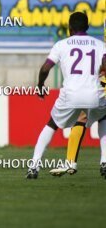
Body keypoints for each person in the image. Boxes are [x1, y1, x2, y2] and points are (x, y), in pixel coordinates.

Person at [26, 12, 106, 179]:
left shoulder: (61, 45)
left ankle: (34, 166)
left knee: (51, 124)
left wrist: (40, 87)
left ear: (70, 28)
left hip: (70, 95)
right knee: (104, 118)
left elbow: (45, 69)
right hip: (95, 94)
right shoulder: (100, 45)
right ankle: (104, 162)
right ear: (88, 27)